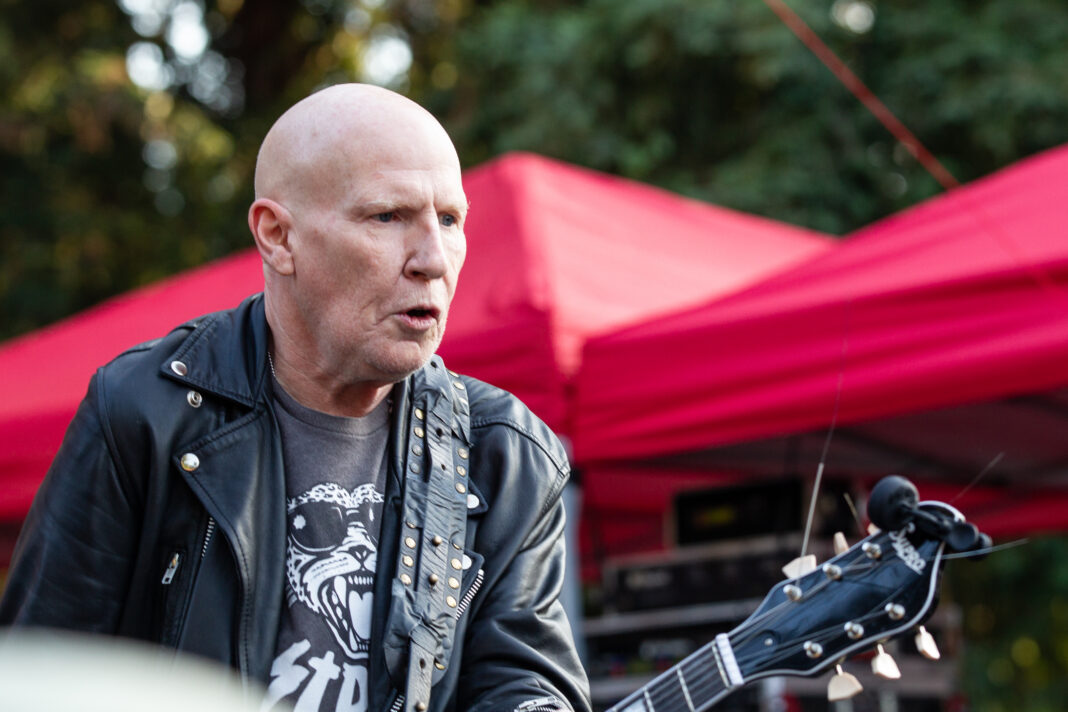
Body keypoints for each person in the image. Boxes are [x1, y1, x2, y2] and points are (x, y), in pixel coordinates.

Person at [0, 84, 591, 712]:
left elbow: (524, 682)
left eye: (449, 219)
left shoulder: (503, 455)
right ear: (278, 237)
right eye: (386, 216)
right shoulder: (145, 412)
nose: (433, 258)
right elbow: (41, 679)